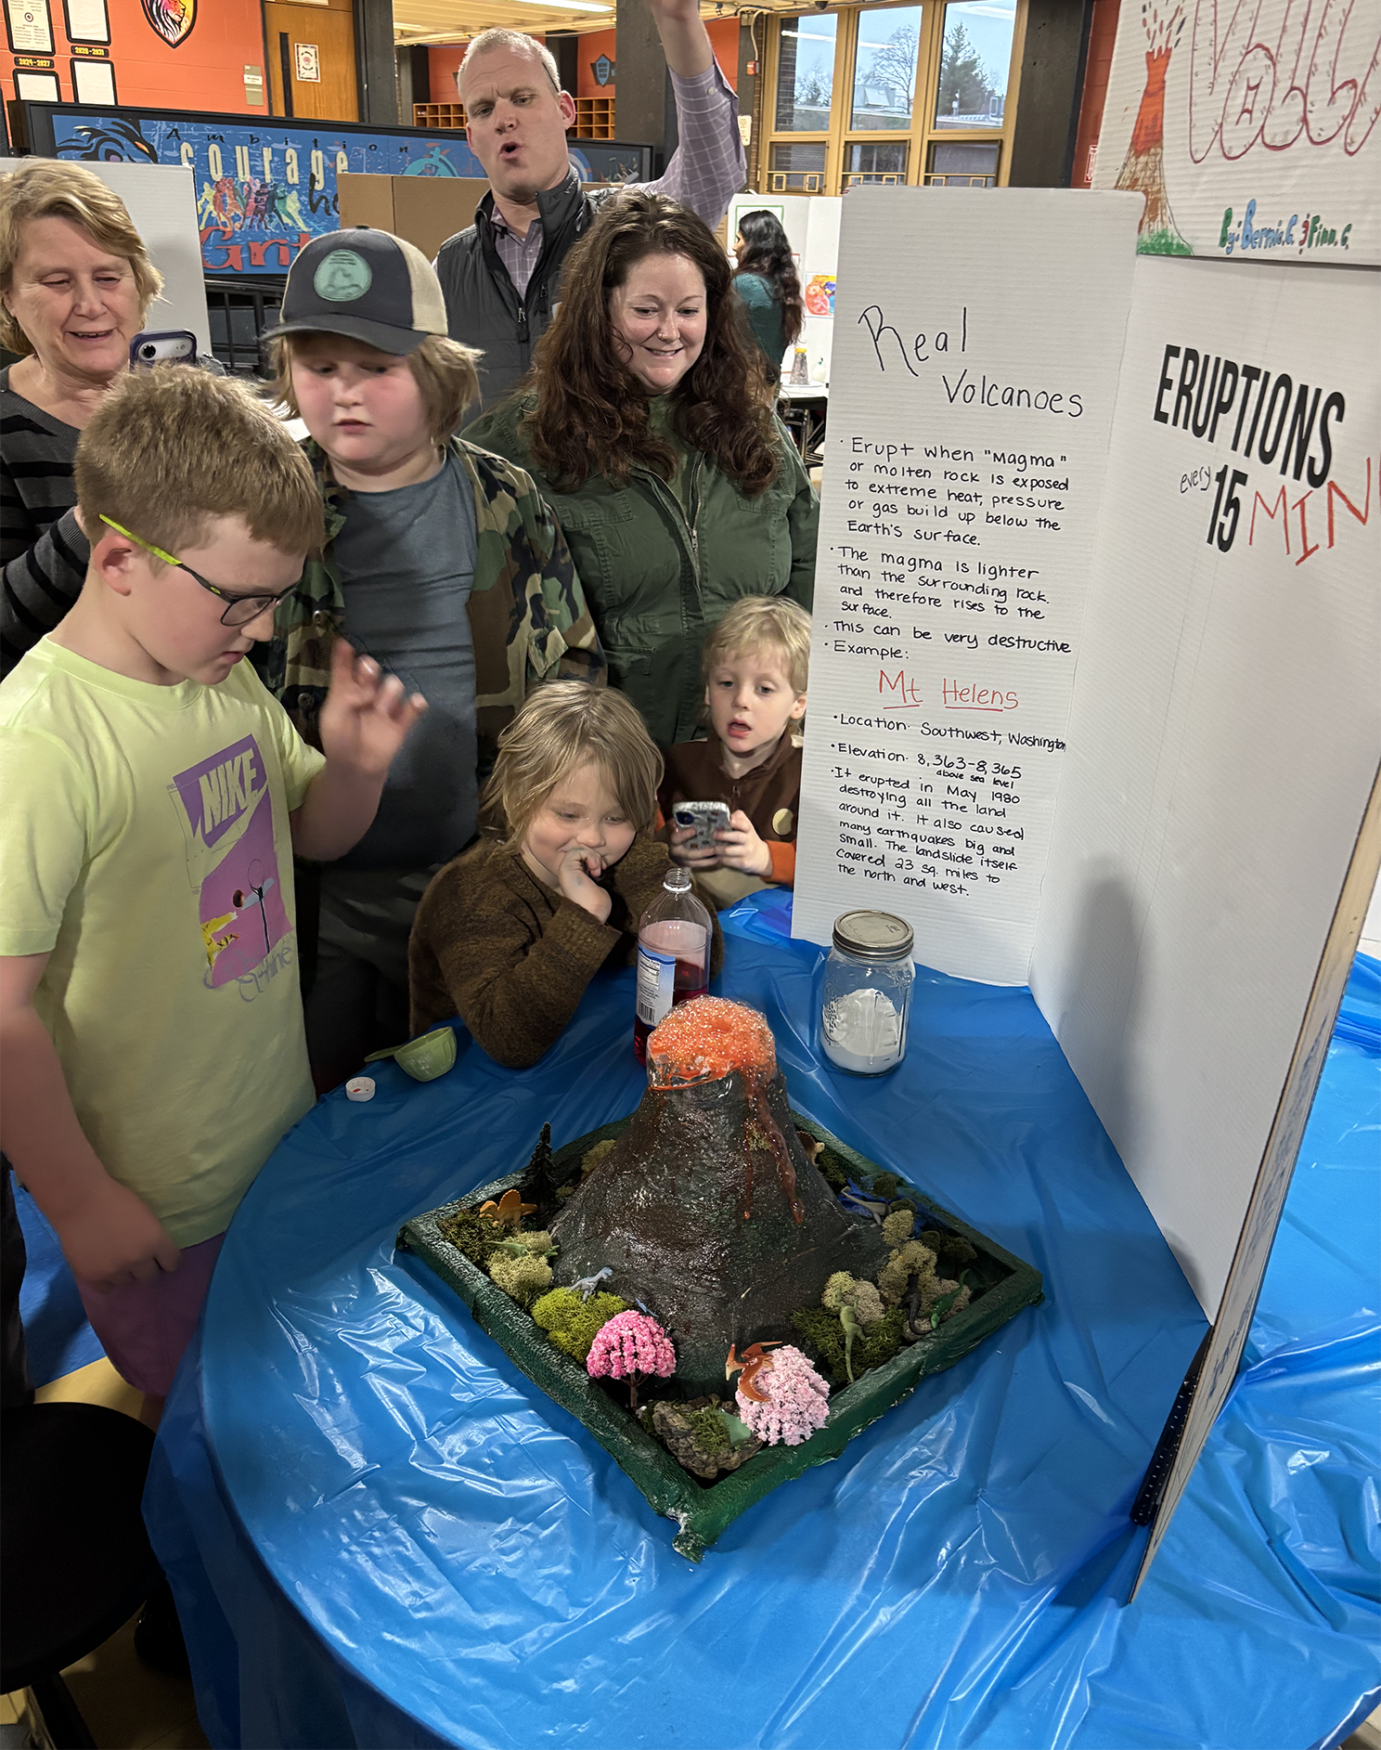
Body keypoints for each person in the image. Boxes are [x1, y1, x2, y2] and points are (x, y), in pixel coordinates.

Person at [0, 366, 425, 1425]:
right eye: (241, 599)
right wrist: (83, 1202)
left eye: (274, 599)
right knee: (195, 1410)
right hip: (157, 1196)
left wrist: (356, 769)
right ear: (118, 560)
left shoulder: (216, 677)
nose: (262, 628)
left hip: (266, 1133)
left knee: (259, 1378)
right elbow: (2, 1014)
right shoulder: (43, 743)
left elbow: (304, 832)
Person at [257, 226, 604, 1091]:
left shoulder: (503, 495)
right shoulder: (265, 502)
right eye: (319, 366)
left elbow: (576, 670)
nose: (344, 394)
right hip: (315, 901)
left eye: (377, 367)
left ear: (438, 371)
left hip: (475, 884)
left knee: (468, 1103)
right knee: (318, 1104)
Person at [465, 193, 818, 748]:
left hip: (742, 772)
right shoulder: (526, 441)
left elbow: (807, 565)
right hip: (605, 777)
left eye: (688, 310)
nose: (669, 331)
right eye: (646, 309)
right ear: (599, 308)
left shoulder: (755, 429)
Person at [435, 1, 746, 412]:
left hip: (613, 474)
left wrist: (679, 20)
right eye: (484, 109)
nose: (504, 119)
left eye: (522, 99)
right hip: (491, 478)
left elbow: (712, 171)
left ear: (565, 110)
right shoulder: (448, 268)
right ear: (472, 138)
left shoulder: (627, 228)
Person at [410, 682, 722, 1069]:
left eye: (615, 816)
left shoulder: (620, 857)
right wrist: (585, 918)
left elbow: (705, 960)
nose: (592, 837)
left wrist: (638, 849)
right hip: (468, 1090)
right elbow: (509, 1041)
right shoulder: (468, 893)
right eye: (568, 814)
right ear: (518, 797)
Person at [0, 159, 207, 677]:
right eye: (56, 281)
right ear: (8, 298)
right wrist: (94, 517)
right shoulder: (7, 430)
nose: (90, 304)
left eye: (108, 276)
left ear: (140, 284)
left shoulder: (204, 396)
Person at [661, 596, 809, 908]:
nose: (741, 700)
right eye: (726, 683)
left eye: (764, 689)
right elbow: (642, 841)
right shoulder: (675, 763)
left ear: (798, 704)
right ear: (707, 691)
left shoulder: (809, 773)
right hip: (695, 920)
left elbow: (834, 867)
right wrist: (668, 846)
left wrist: (768, 858)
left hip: (774, 935)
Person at [731, 209, 804, 385]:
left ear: (754, 246)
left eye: (738, 239)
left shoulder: (744, 285)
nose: (734, 247)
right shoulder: (783, 289)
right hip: (769, 389)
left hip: (736, 388)